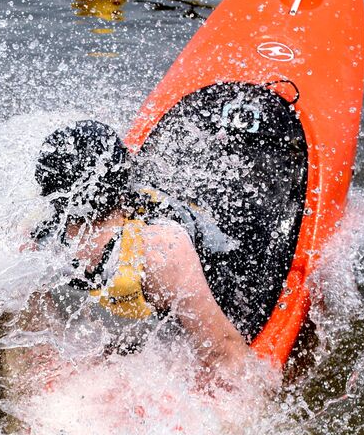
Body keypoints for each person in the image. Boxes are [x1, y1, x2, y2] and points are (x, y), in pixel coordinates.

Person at [17, 120, 267, 388]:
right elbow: (37, 350)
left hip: (230, 263)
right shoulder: (37, 244)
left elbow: (225, 352)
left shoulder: (159, 249)